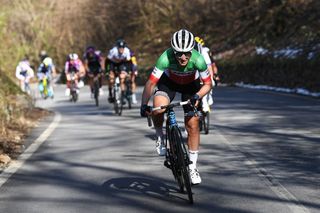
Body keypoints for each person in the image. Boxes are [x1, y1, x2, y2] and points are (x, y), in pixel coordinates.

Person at [140, 29, 212, 185]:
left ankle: (192, 166)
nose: (183, 57)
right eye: (179, 53)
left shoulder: (198, 59)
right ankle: (159, 136)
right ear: (173, 50)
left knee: (193, 124)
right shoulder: (165, 58)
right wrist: (144, 104)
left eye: (187, 53)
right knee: (158, 108)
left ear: (191, 50)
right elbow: (151, 82)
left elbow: (208, 84)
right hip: (169, 83)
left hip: (191, 86)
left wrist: (197, 96)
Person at [194, 36, 216, 112]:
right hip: (195, 71)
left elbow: (210, 67)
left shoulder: (204, 52)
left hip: (204, 70)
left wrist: (211, 78)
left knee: (208, 83)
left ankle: (206, 100)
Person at [106, 39, 131, 103]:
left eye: (122, 48)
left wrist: (127, 71)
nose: (121, 49)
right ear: (117, 47)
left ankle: (122, 97)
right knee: (111, 79)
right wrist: (107, 71)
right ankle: (110, 94)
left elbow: (129, 62)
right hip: (112, 64)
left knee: (122, 78)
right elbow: (107, 61)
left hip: (121, 64)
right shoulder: (113, 51)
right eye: (119, 48)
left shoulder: (127, 51)